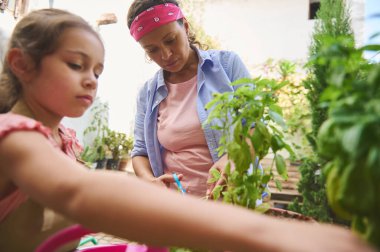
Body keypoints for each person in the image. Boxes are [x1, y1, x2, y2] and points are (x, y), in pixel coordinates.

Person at [0, 8, 375, 252]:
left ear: (185, 27)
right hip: (188, 211)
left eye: (97, 71)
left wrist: (231, 162)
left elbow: (257, 121)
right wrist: (268, 235)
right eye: (76, 64)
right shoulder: (15, 136)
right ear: (21, 64)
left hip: (225, 203)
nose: (92, 81)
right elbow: (81, 191)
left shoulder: (58, 140)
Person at [127, 0, 254, 199]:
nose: (166, 55)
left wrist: (232, 160)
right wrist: (149, 181)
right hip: (178, 208)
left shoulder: (227, 67)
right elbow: (140, 152)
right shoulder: (148, 93)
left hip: (233, 200)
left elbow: (254, 127)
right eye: (152, 50)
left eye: (170, 40)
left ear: (185, 26)